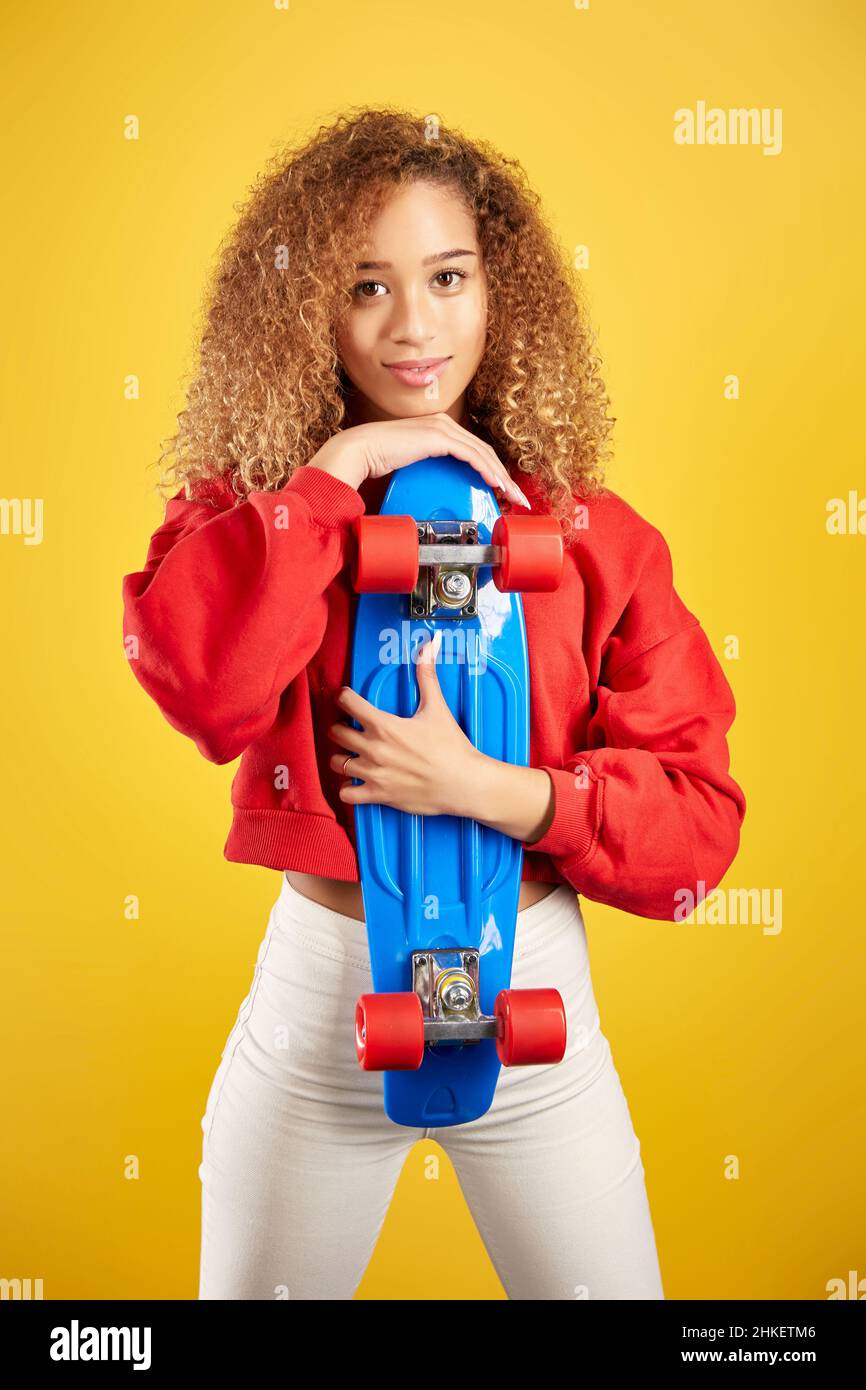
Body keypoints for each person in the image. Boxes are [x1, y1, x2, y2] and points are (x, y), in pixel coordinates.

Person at [122, 108, 746, 1300]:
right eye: (366, 286)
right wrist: (334, 475)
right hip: (326, 1005)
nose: (413, 326)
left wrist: (492, 790)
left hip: (538, 1005)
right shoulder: (257, 512)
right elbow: (201, 689)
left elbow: (698, 833)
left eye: (446, 277)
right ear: (309, 308)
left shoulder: (592, 535)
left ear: (497, 290)